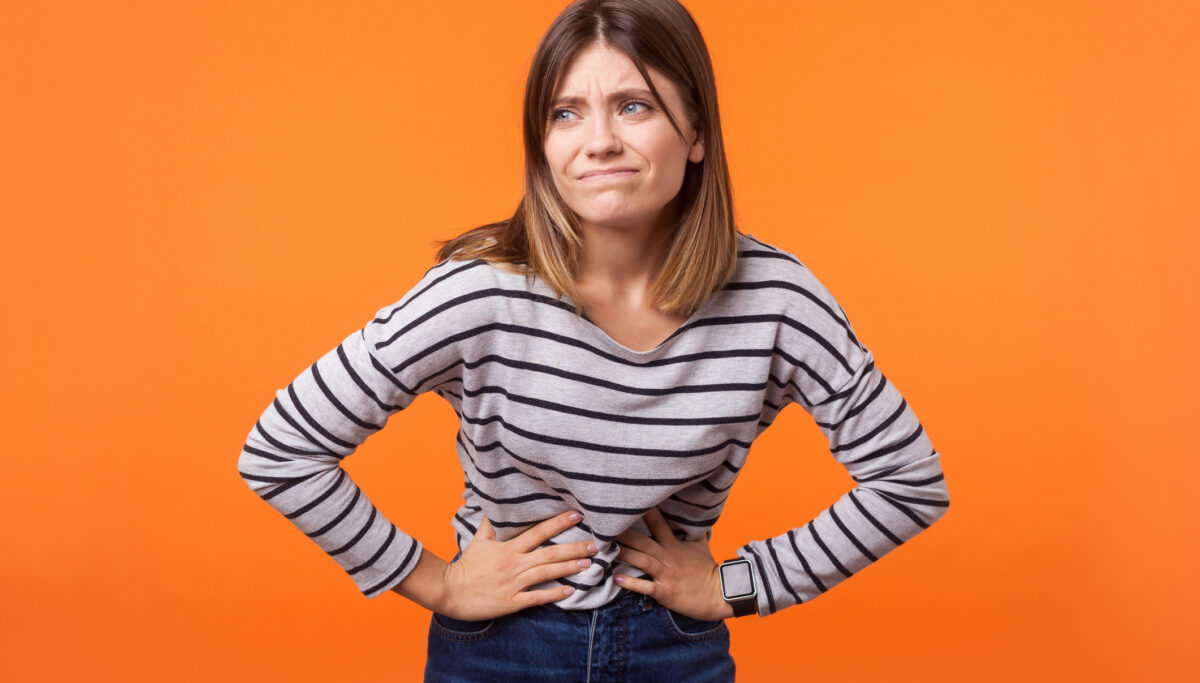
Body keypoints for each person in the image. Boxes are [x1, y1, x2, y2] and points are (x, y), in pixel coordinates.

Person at [237, 0, 951, 680]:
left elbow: (909, 480)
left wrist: (740, 584)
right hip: (499, 649)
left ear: (696, 131)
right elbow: (281, 449)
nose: (599, 140)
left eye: (633, 106)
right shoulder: (479, 292)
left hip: (677, 648)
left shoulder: (777, 299)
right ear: (543, 145)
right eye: (566, 114)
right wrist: (441, 584)